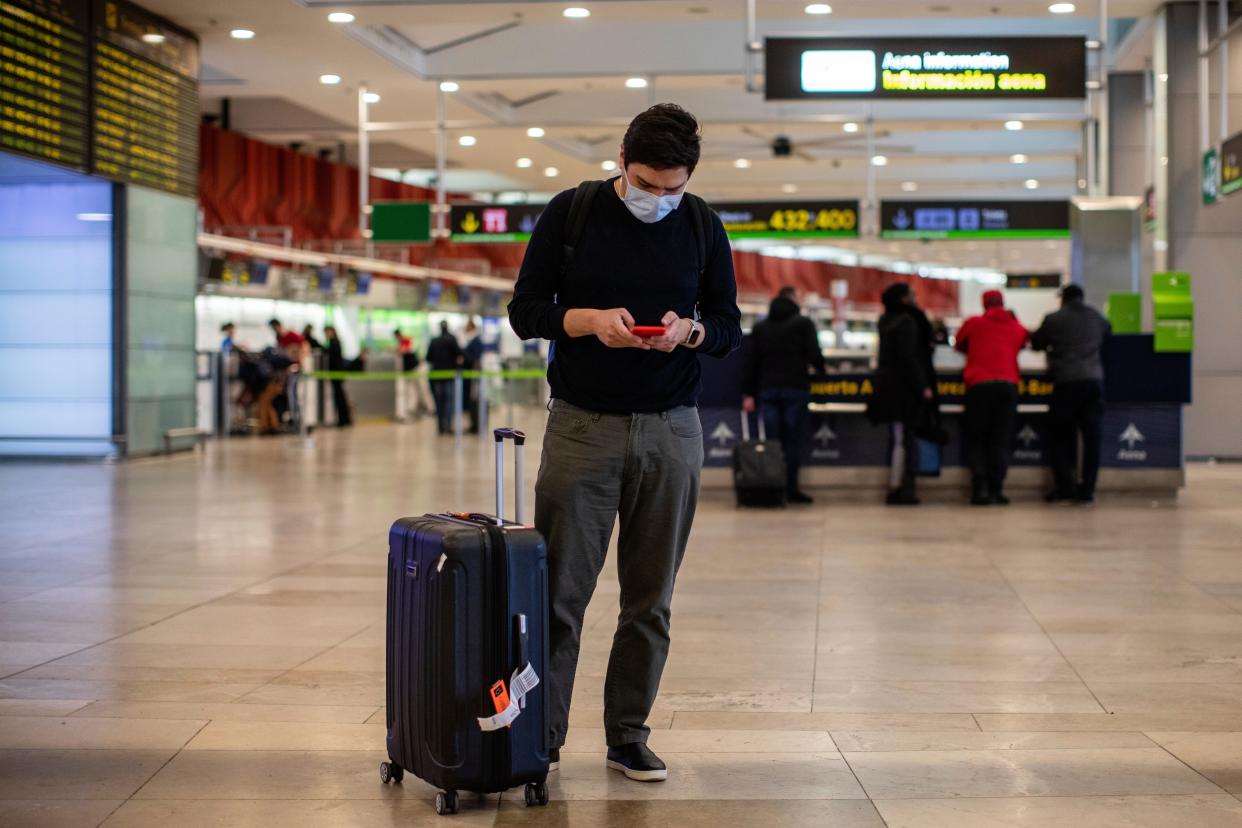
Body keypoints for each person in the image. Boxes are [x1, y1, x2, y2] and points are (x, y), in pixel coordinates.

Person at [509, 102, 741, 783]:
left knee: (650, 597)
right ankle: (540, 738)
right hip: (583, 425)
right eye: (647, 184)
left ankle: (628, 735)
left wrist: (688, 332)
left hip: (672, 427)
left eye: (674, 188)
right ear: (622, 161)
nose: (660, 200)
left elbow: (727, 326)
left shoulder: (701, 224)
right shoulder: (572, 212)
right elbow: (526, 311)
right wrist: (584, 321)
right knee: (560, 594)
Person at [742, 286, 826, 504]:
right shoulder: (803, 323)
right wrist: (822, 371)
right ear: (793, 300)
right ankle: (791, 489)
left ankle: (773, 489)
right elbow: (815, 354)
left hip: (767, 389)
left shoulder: (761, 327)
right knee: (792, 442)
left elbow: (752, 363)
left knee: (773, 443)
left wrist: (749, 393)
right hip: (795, 389)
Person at [1031, 284, 1112, 504]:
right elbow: (1109, 334)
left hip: (1065, 383)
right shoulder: (1096, 317)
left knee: (1060, 438)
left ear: (1063, 300)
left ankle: (1065, 488)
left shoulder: (1053, 319)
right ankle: (1087, 491)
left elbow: (1036, 343)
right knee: (1091, 439)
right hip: (1092, 383)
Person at [955, 290, 1030, 506]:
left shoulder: (974, 323)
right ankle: (997, 489)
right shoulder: (1015, 326)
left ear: (984, 304)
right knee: (1000, 440)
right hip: (1008, 386)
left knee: (978, 439)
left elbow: (959, 344)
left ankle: (980, 490)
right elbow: (1026, 341)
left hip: (979, 386)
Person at [868, 283, 935, 506]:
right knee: (906, 438)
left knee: (897, 437)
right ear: (904, 299)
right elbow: (910, 358)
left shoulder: (885, 321)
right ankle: (902, 486)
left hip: (888, 387)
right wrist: (922, 386)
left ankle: (897, 484)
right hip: (906, 390)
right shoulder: (910, 321)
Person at [425, 321, 463, 434]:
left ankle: (440, 427)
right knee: (448, 401)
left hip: (437, 375)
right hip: (449, 375)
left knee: (439, 401)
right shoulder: (452, 339)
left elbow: (428, 358)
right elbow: (459, 354)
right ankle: (448, 426)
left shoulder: (434, 340)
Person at [324, 325, 353, 428]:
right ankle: (344, 420)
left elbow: (333, 358)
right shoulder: (336, 342)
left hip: (336, 373)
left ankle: (343, 420)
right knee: (341, 397)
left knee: (339, 397)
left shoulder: (334, 342)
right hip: (338, 373)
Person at [462, 318, 485, 434]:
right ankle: (474, 424)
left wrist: (464, 358)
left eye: (467, 325)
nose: (465, 328)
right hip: (472, 376)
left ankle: (476, 425)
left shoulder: (475, 341)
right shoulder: (471, 340)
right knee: (473, 401)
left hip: (475, 376)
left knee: (475, 400)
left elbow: (474, 357)